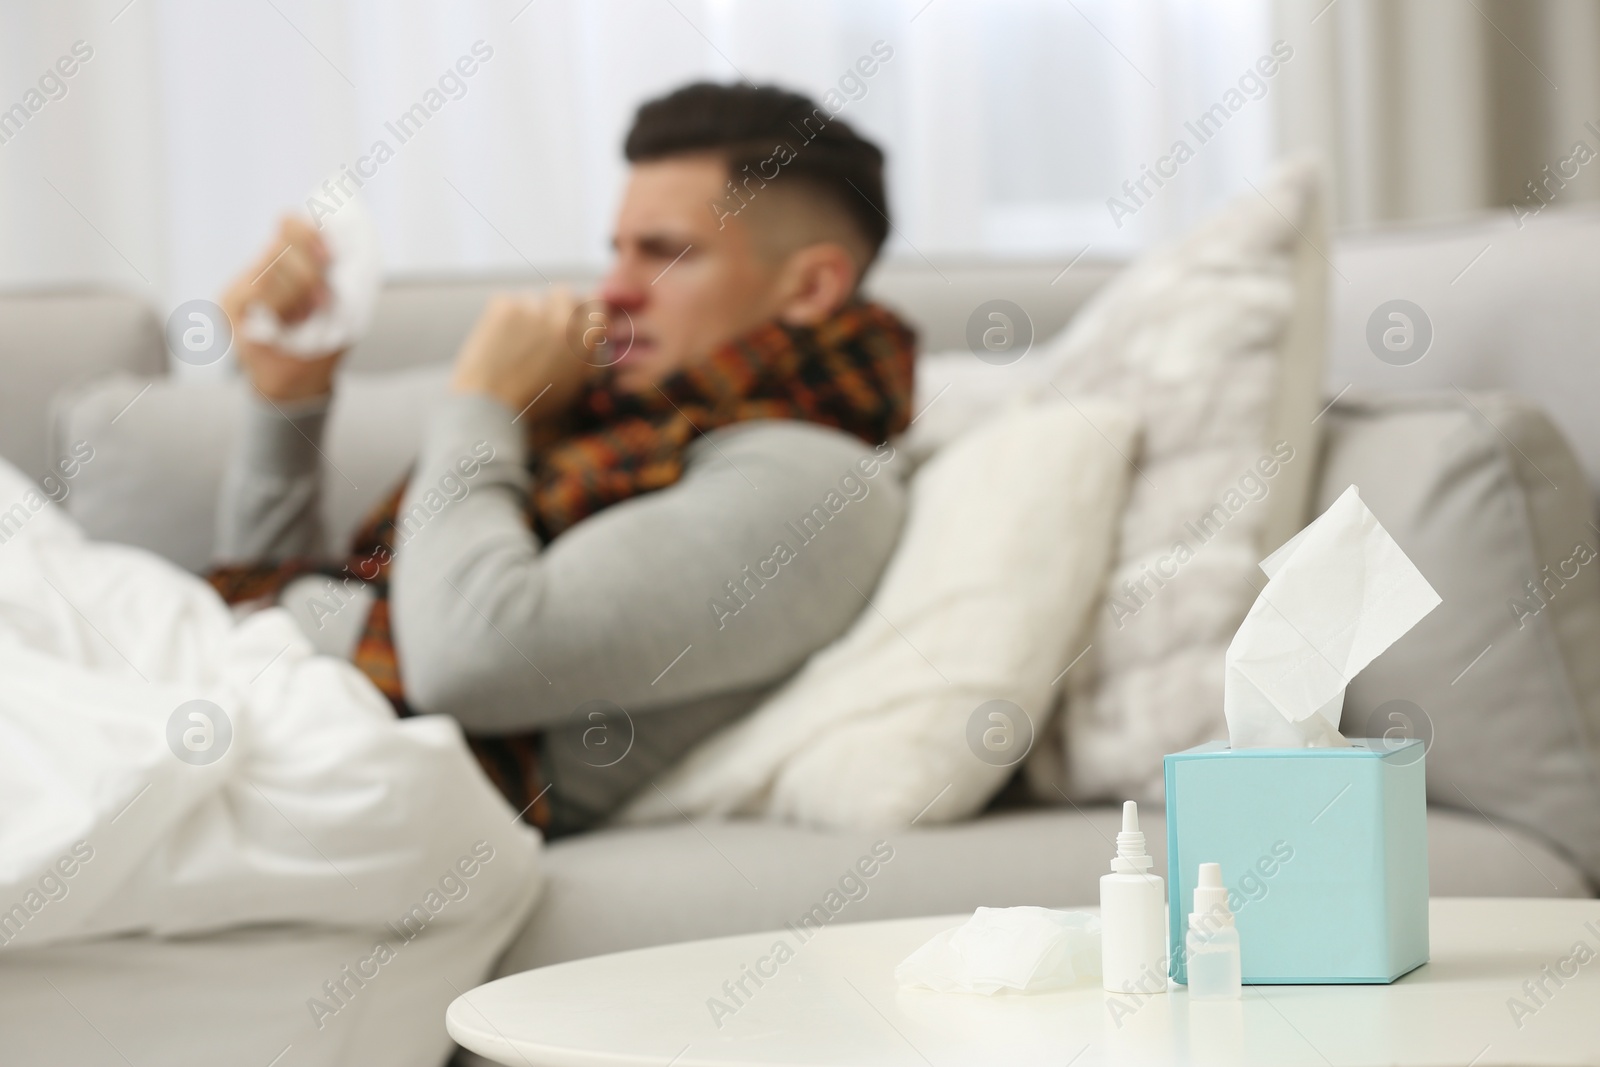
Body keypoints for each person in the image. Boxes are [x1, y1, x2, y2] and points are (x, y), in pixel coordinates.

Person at [208, 82, 916, 836]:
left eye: (666, 252)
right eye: (616, 251)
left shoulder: (814, 484)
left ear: (810, 285)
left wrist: (484, 404)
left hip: (313, 765)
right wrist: (289, 401)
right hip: (242, 686)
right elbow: (290, 595)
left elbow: (463, 662)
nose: (614, 289)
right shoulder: (615, 424)